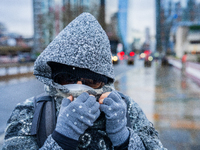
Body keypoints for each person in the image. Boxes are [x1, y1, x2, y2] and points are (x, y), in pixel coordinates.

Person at [2, 13, 166, 150]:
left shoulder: (126, 109)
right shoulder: (31, 111)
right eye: (67, 79)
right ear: (54, 78)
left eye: (91, 81)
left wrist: (124, 138)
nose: (79, 88)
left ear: (104, 81)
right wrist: (62, 138)